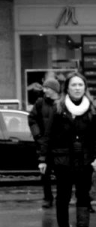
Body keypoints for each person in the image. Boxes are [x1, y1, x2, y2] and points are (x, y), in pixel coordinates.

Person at [38, 72, 96, 227]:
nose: (77, 88)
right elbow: (48, 135)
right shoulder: (58, 108)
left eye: (80, 85)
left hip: (85, 160)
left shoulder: (92, 109)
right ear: (67, 88)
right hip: (63, 160)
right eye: (73, 85)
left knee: (83, 197)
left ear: (85, 88)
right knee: (63, 197)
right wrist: (43, 158)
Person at [28, 78, 61, 209]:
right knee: (45, 174)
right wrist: (38, 136)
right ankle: (48, 198)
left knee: (61, 173)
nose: (44, 90)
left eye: (47, 88)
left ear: (54, 89)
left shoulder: (62, 103)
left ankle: (61, 197)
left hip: (59, 145)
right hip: (44, 144)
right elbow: (32, 119)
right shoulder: (40, 103)